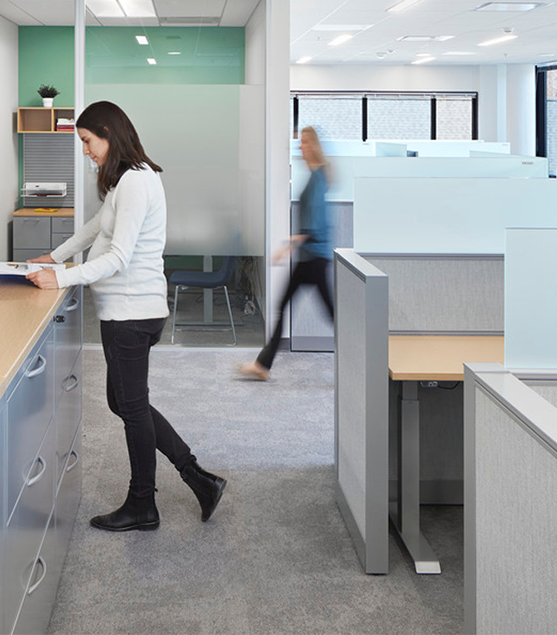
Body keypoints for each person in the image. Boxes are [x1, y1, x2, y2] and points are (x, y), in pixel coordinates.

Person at [25, 101, 227, 531]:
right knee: (125, 402)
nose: (85, 151)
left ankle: (143, 505)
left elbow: (118, 257)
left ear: (107, 133)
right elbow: (98, 226)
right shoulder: (127, 182)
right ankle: (199, 479)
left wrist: (62, 278)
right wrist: (56, 256)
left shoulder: (137, 182)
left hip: (132, 313)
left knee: (131, 408)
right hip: (129, 309)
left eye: (86, 142)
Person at [241, 126, 334, 381]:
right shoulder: (316, 175)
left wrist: (287, 245)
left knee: (331, 313)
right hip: (310, 257)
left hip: (314, 257)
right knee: (295, 307)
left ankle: (364, 350)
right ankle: (263, 365)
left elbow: (314, 226)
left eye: (303, 142)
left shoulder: (317, 178)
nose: (299, 146)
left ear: (313, 146)